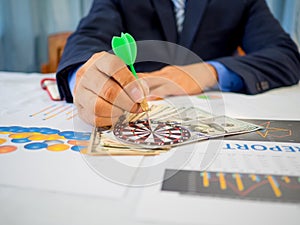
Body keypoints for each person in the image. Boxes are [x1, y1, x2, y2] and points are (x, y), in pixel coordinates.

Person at [56, 0, 300, 127]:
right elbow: (86, 38)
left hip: (210, 115)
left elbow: (285, 55)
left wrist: (207, 72)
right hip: (138, 112)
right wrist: (85, 76)